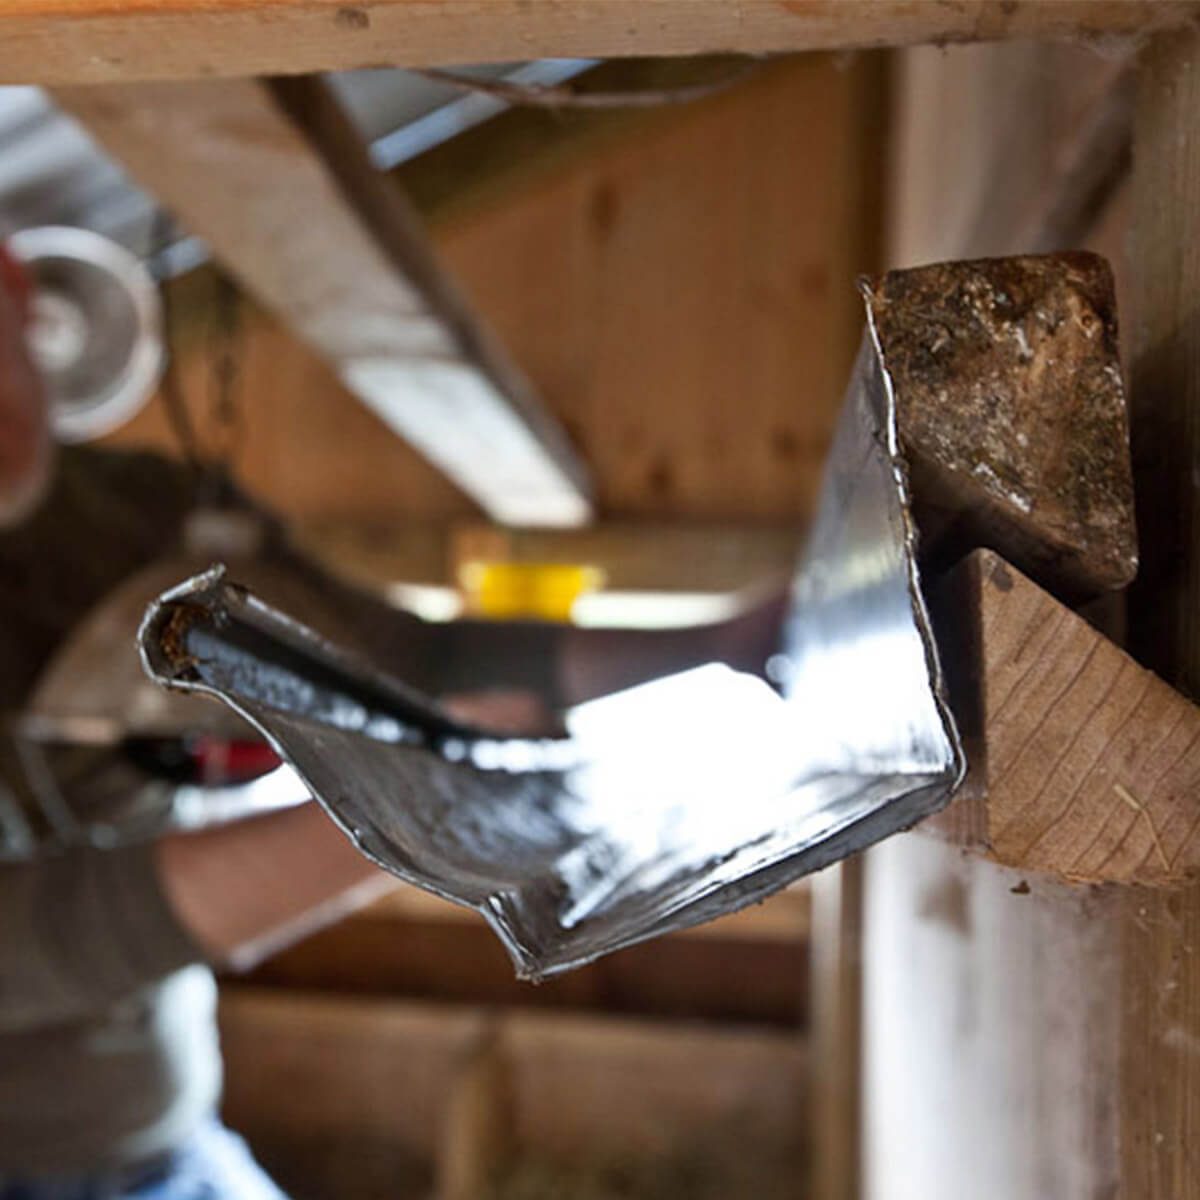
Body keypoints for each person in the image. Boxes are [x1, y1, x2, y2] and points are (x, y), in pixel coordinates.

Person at [0, 260, 785, 1197]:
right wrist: (425, 809)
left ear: (16, 290)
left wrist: (718, 643)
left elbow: (404, 660)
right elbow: (38, 932)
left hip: (164, 1138)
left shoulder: (123, 515)